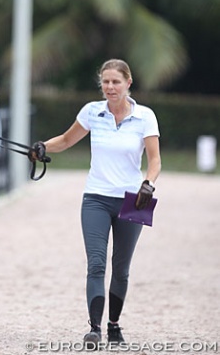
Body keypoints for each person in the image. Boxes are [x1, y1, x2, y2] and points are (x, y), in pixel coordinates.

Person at [29, 59, 161, 349]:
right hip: (96, 199)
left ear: (129, 82)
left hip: (134, 199)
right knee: (96, 264)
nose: (110, 87)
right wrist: (42, 147)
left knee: (122, 268)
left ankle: (115, 325)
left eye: (116, 82)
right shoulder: (92, 112)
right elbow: (65, 140)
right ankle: (95, 328)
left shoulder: (145, 117)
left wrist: (148, 184)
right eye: (105, 82)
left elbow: (154, 160)